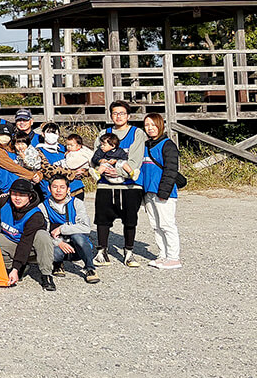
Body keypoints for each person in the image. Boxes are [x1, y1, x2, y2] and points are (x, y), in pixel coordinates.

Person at [92, 114, 144, 268]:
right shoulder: (104, 133)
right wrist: (101, 166)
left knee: (130, 220)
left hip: (129, 185)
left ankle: (129, 252)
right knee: (102, 219)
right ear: (110, 115)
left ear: (128, 115)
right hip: (105, 184)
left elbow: (135, 159)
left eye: (121, 113)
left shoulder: (136, 133)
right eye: (115, 113)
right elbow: (94, 157)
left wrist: (120, 172)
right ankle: (102, 251)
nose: (118, 116)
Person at [0, 179, 57, 290]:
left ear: (30, 196)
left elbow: (26, 243)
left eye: (22, 195)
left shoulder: (35, 215)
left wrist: (16, 268)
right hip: (13, 243)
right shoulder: (3, 203)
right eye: (14, 194)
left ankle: (46, 275)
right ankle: (13, 268)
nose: (17, 198)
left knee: (42, 235)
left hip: (32, 249)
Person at [140, 112, 182, 270]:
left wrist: (164, 192)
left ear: (160, 125)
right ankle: (163, 255)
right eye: (147, 125)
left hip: (163, 192)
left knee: (167, 224)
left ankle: (173, 257)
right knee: (155, 225)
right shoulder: (145, 145)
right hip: (149, 191)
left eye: (153, 124)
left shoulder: (167, 145)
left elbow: (171, 170)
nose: (150, 128)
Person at [42, 174, 99, 282]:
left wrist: (61, 229)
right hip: (58, 245)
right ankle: (58, 264)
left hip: (77, 246)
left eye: (62, 187)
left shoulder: (76, 203)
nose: (58, 190)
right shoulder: (43, 206)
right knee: (50, 252)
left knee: (78, 237)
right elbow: (43, 232)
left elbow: (86, 227)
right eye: (55, 187)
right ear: (49, 189)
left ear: (68, 189)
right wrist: (58, 242)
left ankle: (90, 268)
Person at [0, 123, 39, 194]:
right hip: (6, 188)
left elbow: (35, 163)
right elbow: (11, 166)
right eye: (1, 135)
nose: (4, 138)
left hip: (22, 185)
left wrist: (39, 175)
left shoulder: (15, 149)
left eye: (7, 135)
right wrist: (32, 175)